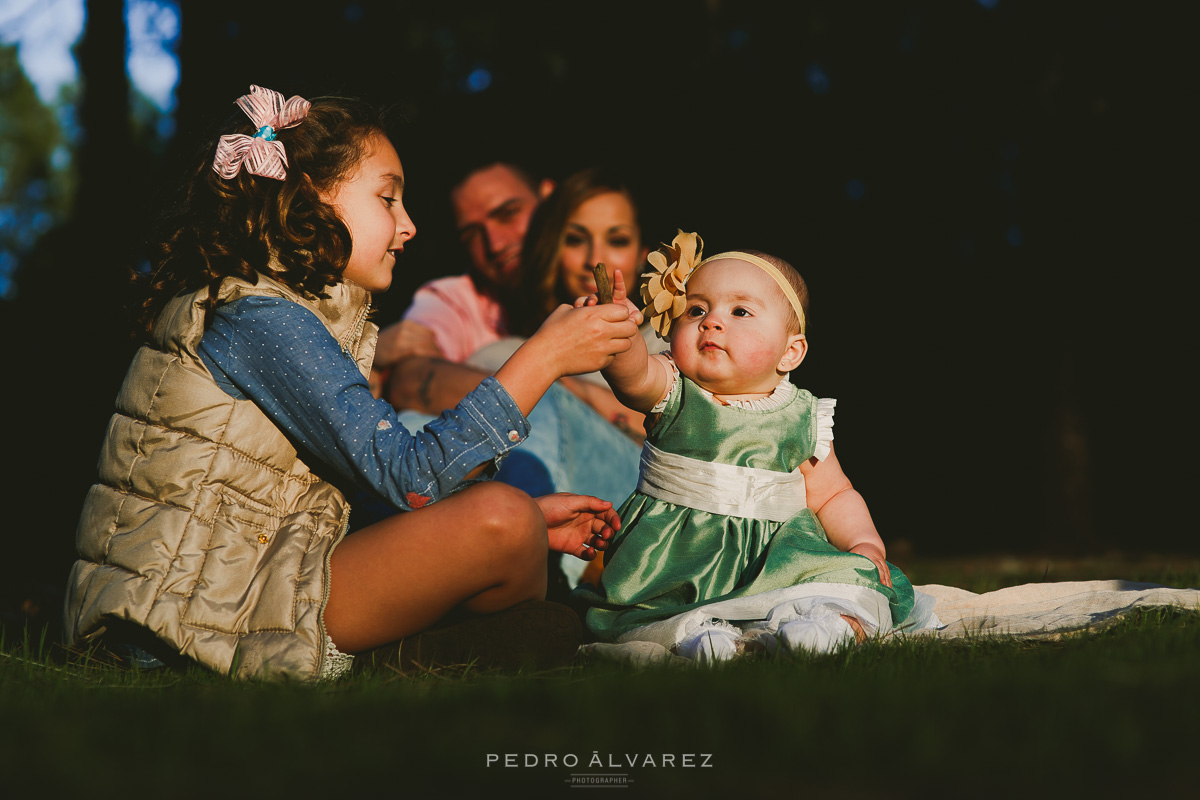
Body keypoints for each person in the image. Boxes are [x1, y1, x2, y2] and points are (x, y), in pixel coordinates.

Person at [61, 85, 638, 682]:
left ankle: (443, 651)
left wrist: (529, 518)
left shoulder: (296, 314)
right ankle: (399, 661)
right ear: (309, 196)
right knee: (503, 523)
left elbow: (348, 493)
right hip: (181, 619)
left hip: (255, 577)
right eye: (388, 198)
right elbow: (409, 476)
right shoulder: (261, 317)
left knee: (512, 521)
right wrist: (543, 357)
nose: (409, 226)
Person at [572, 231, 928, 663]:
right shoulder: (673, 389)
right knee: (659, 612)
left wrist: (864, 543)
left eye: (740, 311)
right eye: (697, 309)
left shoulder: (802, 414)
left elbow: (833, 493)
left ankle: (824, 626)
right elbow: (632, 378)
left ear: (790, 352)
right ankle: (700, 637)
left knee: (849, 582)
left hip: (777, 553)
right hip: (677, 557)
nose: (711, 321)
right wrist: (622, 337)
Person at [377, 167, 667, 590]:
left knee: (532, 403)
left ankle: (521, 569)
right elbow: (410, 375)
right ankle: (400, 560)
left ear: (643, 252)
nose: (595, 258)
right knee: (422, 422)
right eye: (574, 239)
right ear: (551, 245)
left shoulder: (669, 340)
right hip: (537, 486)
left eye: (617, 240)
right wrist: (558, 376)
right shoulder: (493, 333)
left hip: (632, 497)